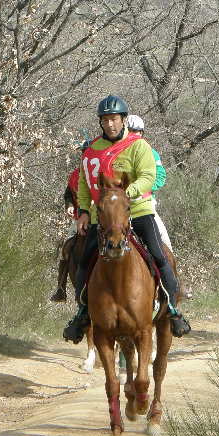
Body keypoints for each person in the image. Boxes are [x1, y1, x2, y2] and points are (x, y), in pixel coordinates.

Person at [63, 95, 191, 343]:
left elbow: (148, 175)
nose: (110, 124)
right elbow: (83, 184)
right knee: (83, 263)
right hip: (103, 217)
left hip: (138, 210)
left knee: (159, 255)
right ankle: (82, 314)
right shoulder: (91, 151)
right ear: (101, 122)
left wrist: (125, 195)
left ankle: (173, 310)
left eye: (114, 119)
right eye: (106, 120)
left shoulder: (138, 146)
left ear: (123, 120)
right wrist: (84, 213)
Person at [125, 114, 173, 252]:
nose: (133, 134)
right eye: (130, 131)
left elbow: (160, 176)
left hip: (145, 204)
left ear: (142, 133)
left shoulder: (151, 153)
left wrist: (143, 187)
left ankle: (169, 272)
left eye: (137, 131)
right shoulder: (117, 151)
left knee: (165, 244)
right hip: (120, 204)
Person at [50, 140, 90, 303]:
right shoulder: (75, 175)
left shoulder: (98, 172)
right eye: (84, 152)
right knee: (66, 247)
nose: (85, 155)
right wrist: (69, 205)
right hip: (78, 218)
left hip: (97, 217)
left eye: (88, 152)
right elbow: (68, 194)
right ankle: (61, 288)